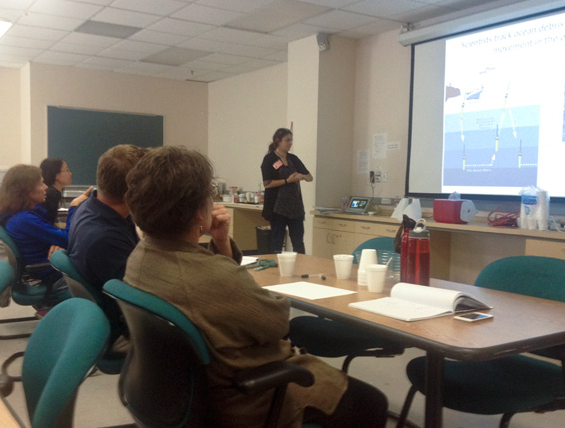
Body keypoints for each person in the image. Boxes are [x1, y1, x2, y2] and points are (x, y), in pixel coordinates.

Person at [124, 146, 387, 428]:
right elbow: (277, 323)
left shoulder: (141, 256)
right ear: (199, 214)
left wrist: (222, 242)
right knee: (370, 403)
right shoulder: (210, 277)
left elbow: (216, 290)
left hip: (181, 392)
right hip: (245, 398)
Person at [68, 144, 147, 344]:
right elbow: (145, 299)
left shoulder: (90, 207)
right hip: (123, 329)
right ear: (135, 191)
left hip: (109, 311)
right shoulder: (105, 239)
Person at [0, 164, 90, 312]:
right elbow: (70, 239)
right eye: (41, 183)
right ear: (26, 190)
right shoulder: (24, 220)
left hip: (49, 272)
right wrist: (74, 208)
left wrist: (58, 241)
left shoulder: (17, 215)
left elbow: (58, 236)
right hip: (57, 279)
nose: (46, 187)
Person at [261, 128, 313, 254]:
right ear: (278, 141)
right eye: (287, 140)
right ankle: (276, 270)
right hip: (277, 208)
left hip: (295, 208)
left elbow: (309, 177)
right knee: (277, 241)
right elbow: (267, 184)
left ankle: (300, 267)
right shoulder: (269, 159)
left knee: (298, 242)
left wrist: (302, 176)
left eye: (291, 140)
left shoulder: (293, 158)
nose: (290, 143)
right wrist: (288, 181)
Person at [39, 157, 73, 225]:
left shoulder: (51, 192)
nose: (70, 173)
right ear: (56, 175)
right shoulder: (52, 194)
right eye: (66, 170)